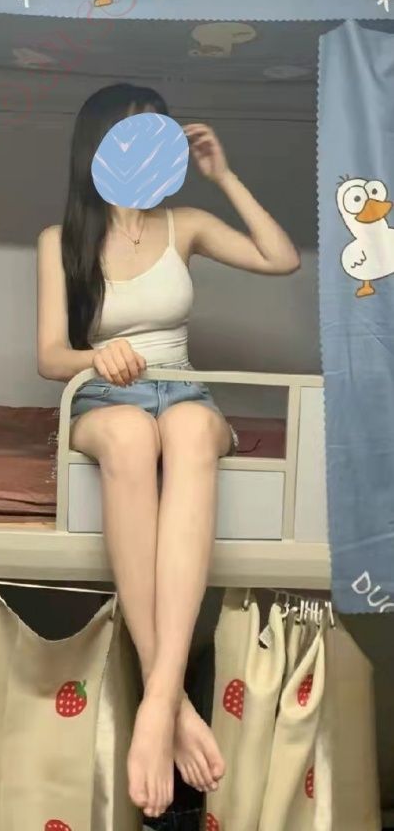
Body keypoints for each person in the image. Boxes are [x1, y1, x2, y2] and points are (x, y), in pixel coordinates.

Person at [37, 83, 300, 820]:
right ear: (98, 147)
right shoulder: (60, 241)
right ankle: (173, 701)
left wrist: (224, 175)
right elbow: (50, 356)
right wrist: (97, 356)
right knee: (129, 434)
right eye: (132, 136)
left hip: (183, 393)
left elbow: (281, 259)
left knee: (184, 431)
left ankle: (154, 705)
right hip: (103, 399)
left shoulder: (186, 223)